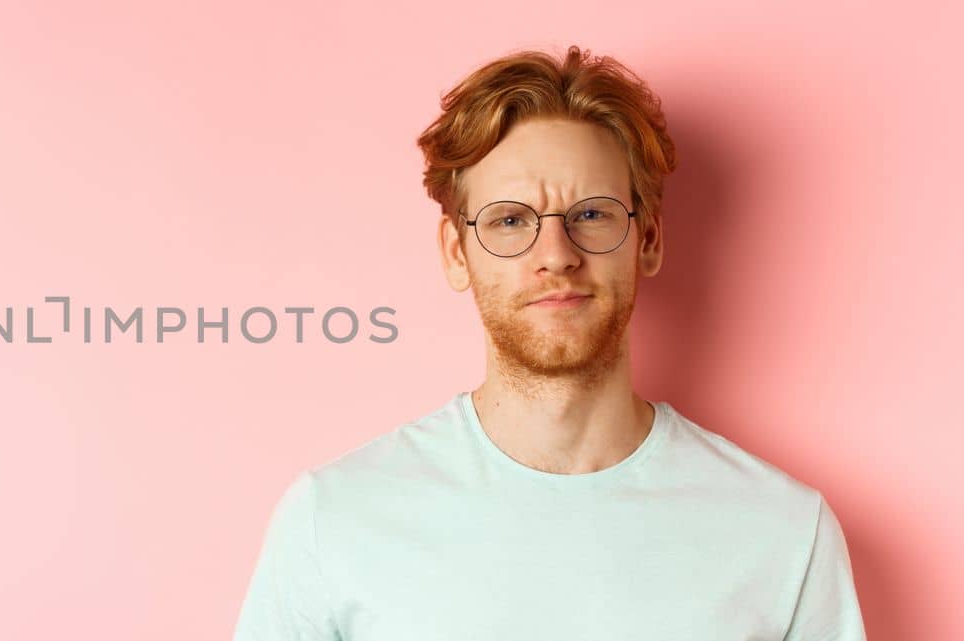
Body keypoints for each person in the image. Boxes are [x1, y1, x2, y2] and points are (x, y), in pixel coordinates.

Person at [231, 45, 867, 641]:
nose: (556, 256)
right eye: (510, 221)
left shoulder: (782, 532)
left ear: (647, 241)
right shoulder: (334, 518)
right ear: (458, 254)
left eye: (591, 214)